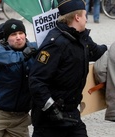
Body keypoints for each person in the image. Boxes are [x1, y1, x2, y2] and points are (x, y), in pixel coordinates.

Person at [29, 0, 107, 136]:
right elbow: (36, 80)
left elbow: (96, 52)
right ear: (77, 17)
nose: (86, 19)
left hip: (71, 113)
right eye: (84, 15)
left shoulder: (82, 38)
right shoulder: (56, 43)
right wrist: (51, 108)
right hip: (50, 119)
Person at [0, 19, 37, 137]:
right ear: (6, 38)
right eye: (13, 34)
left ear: (25, 35)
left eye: (21, 33)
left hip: (21, 119)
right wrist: (22, 55)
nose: (18, 37)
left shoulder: (34, 48)